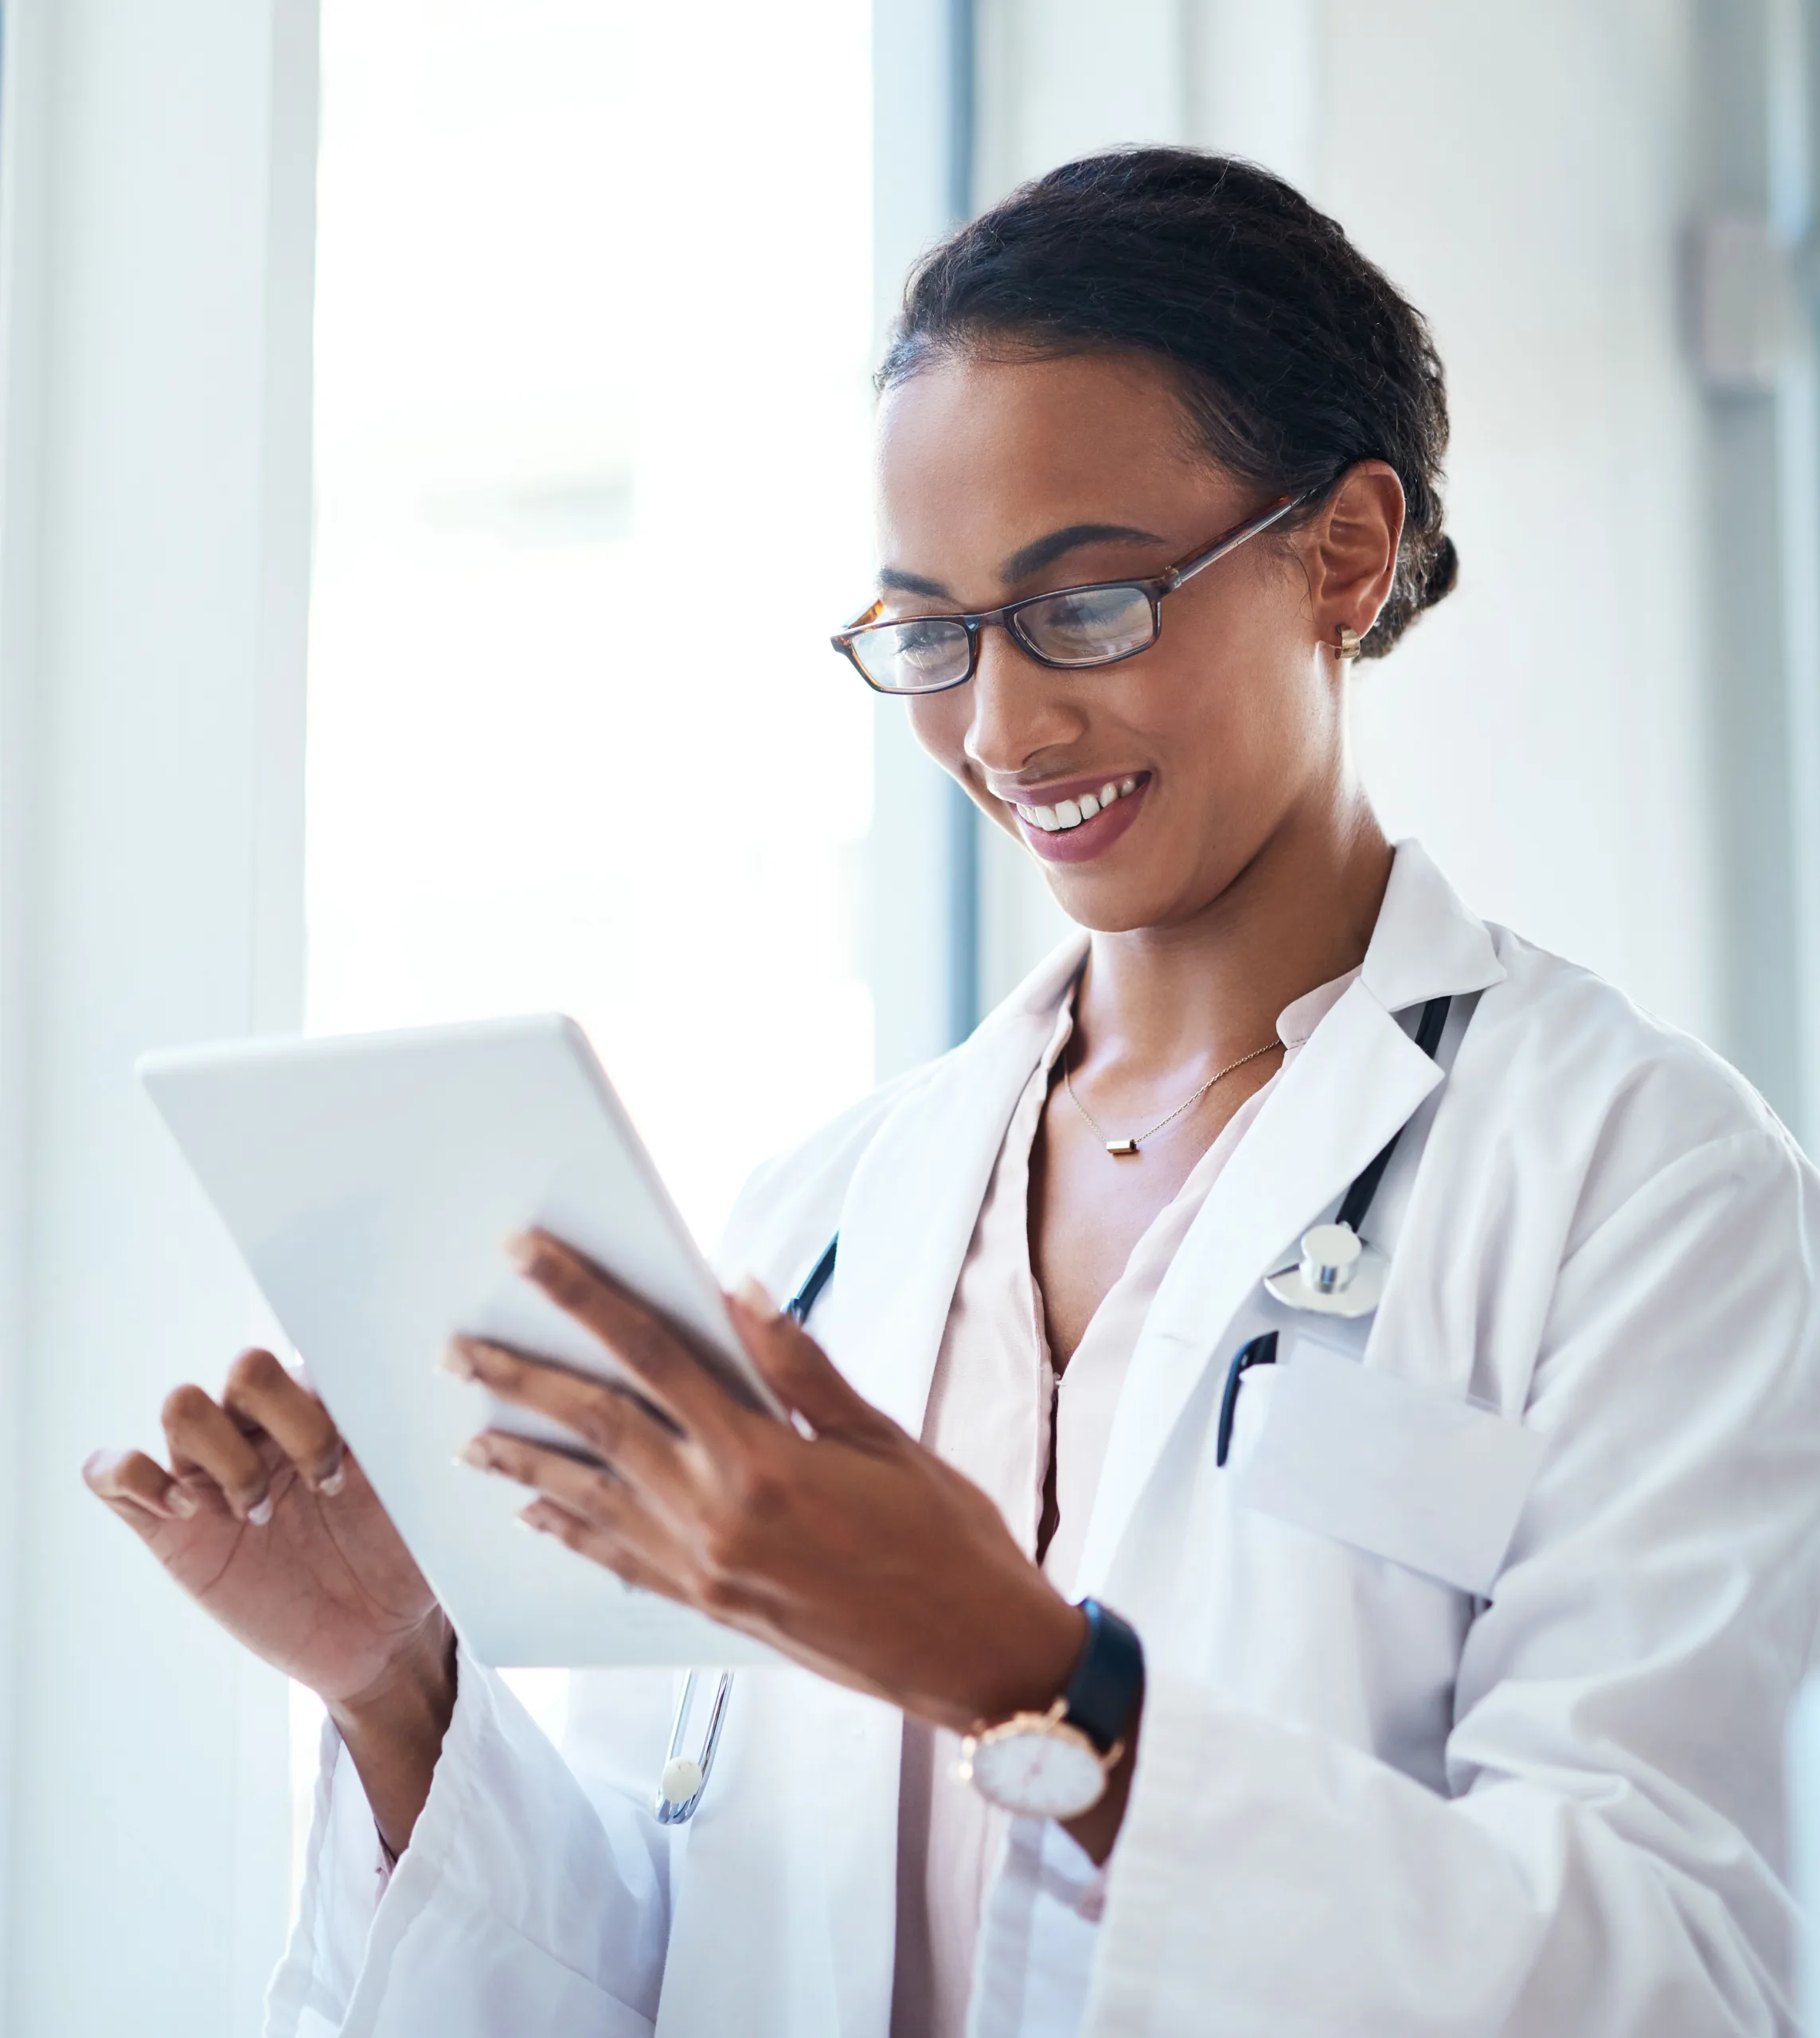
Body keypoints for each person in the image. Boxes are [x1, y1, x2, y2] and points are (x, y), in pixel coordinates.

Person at [86, 148, 1820, 2037]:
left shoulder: (1640, 1183)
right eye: (931, 634)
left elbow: (1675, 1976)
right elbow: (696, 1949)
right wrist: (400, 1683)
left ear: (1343, 552)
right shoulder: (825, 1213)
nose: (1002, 730)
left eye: (1087, 606)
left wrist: (1038, 1674)